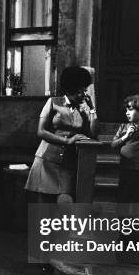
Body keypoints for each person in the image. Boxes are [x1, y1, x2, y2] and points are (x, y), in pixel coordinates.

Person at [24, 66, 99, 203]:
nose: (84, 94)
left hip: (68, 163)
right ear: (71, 88)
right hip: (46, 161)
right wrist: (67, 141)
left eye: (85, 90)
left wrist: (92, 109)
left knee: (66, 204)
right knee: (44, 207)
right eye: (80, 90)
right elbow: (40, 131)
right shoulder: (53, 102)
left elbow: (93, 134)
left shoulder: (84, 108)